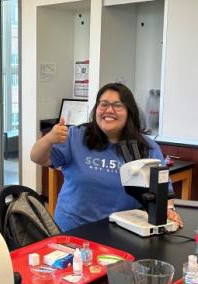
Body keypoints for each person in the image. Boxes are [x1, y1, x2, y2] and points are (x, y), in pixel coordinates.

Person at [30, 83, 183, 232]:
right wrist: (49, 138)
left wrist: (168, 210)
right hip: (73, 230)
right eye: (103, 104)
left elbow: (163, 189)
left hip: (121, 231)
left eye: (117, 105)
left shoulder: (146, 147)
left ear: (129, 111)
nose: (109, 110)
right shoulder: (76, 136)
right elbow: (37, 157)